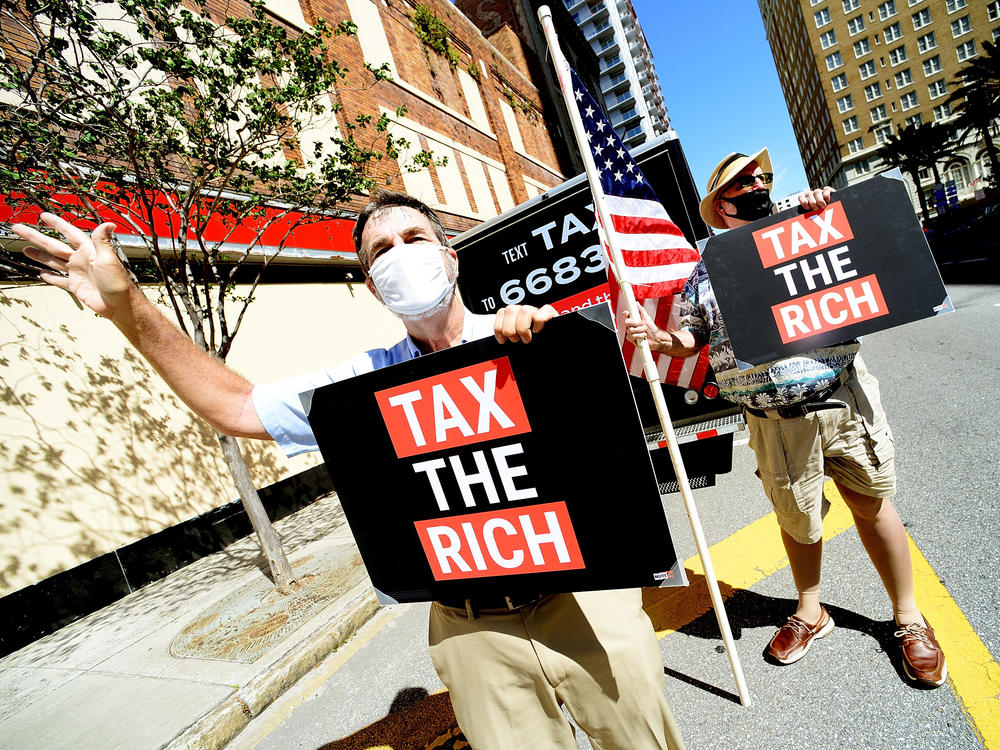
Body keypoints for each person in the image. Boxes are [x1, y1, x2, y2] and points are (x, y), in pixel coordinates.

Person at [12, 190, 684, 750]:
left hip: (585, 605)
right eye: (380, 252)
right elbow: (236, 406)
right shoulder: (363, 386)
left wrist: (551, 348)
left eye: (414, 238)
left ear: (450, 257)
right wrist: (129, 305)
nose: (400, 256)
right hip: (470, 628)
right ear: (369, 283)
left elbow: (609, 423)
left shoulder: (531, 336)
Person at [622, 148, 947, 689]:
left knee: (871, 504)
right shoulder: (708, 270)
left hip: (840, 396)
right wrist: (661, 340)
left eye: (761, 179)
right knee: (798, 521)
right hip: (772, 420)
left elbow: (863, 255)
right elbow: (693, 337)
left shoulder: (806, 226)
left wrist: (827, 211)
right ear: (720, 204)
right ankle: (811, 611)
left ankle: (908, 617)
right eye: (742, 183)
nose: (756, 187)